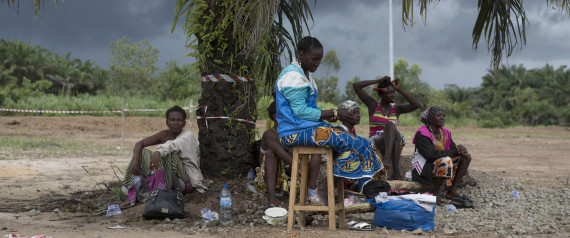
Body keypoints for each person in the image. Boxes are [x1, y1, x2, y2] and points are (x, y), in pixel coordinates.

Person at [275, 36, 383, 203]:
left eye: (320, 59)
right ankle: (326, 189)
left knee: (362, 142)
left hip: (306, 129)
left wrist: (333, 116)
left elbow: (309, 111)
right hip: (293, 132)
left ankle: (362, 185)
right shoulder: (293, 76)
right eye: (314, 59)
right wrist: (335, 113)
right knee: (352, 142)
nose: (317, 63)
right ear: (301, 54)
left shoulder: (305, 75)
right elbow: (300, 112)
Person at [121, 106, 207, 207]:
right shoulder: (164, 135)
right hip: (167, 179)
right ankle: (131, 197)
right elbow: (139, 144)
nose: (175, 123)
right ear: (167, 122)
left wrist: (159, 152)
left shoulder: (187, 136)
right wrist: (136, 161)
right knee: (142, 152)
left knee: (168, 155)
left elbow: (173, 145)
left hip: (185, 181)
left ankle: (161, 196)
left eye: (179, 120)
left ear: (184, 123)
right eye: (172, 120)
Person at [254, 101, 321, 207]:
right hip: (270, 179)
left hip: (293, 174)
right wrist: (297, 167)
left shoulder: (293, 133)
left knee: (317, 153)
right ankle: (271, 199)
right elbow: (276, 149)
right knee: (271, 152)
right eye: (287, 113)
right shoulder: (269, 134)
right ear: (276, 116)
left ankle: (310, 191)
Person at [353, 76, 420, 180]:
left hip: (395, 143)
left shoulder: (396, 109)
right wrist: (377, 81)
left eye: (394, 92)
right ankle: (392, 167)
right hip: (377, 143)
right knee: (390, 125)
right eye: (390, 93)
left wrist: (399, 89)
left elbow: (416, 105)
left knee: (392, 128)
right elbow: (356, 86)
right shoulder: (373, 105)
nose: (393, 95)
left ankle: (391, 164)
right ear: (381, 94)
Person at [411, 107, 472, 205]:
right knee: (446, 161)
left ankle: (452, 191)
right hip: (423, 167)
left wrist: (460, 149)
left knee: (466, 157)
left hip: (437, 163)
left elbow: (452, 149)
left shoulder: (445, 133)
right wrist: (453, 151)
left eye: (443, 115)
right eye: (438, 115)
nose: (442, 118)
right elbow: (430, 155)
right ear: (430, 119)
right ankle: (435, 194)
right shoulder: (422, 133)